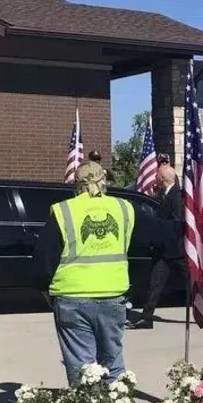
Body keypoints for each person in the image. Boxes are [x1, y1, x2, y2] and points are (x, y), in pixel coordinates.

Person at [33, 161, 161, 385]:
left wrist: (46, 290)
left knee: (82, 366)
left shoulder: (64, 211)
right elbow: (156, 235)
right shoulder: (123, 208)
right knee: (112, 360)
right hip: (113, 296)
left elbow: (43, 259)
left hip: (72, 296)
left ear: (76, 184)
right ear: (104, 181)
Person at [127, 164, 185, 330]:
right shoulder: (163, 194)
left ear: (163, 178)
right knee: (155, 284)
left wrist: (159, 233)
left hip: (175, 250)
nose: (155, 178)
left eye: (157, 176)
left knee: (192, 283)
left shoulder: (176, 195)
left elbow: (176, 222)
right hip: (163, 251)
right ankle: (147, 318)